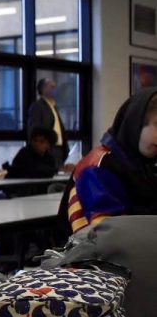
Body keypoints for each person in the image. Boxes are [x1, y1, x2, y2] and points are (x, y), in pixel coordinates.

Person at [66, 87, 157, 232]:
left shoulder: (144, 162)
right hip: (90, 252)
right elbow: (111, 235)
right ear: (135, 124)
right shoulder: (99, 167)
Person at [28, 78, 68, 165]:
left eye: (55, 87)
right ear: (43, 89)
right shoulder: (37, 106)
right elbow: (34, 130)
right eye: (51, 86)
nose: (54, 88)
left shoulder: (54, 107)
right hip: (48, 150)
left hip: (59, 150)